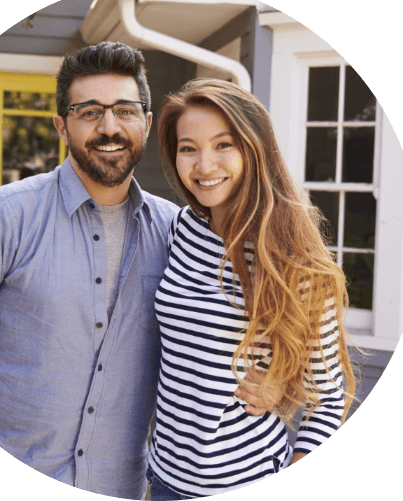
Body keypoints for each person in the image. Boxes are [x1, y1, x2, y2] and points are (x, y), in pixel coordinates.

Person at [0, 43, 279, 499]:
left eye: (125, 110)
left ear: (145, 122)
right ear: (62, 126)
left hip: (120, 485)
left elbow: (245, 321)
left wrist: (278, 373)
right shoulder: (2, 216)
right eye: (89, 112)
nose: (109, 127)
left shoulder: (179, 233)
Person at [146, 78, 357, 499]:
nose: (204, 166)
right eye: (189, 148)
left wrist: (285, 381)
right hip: (163, 478)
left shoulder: (293, 258)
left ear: (253, 148)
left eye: (223, 145)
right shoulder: (182, 229)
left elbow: (330, 396)